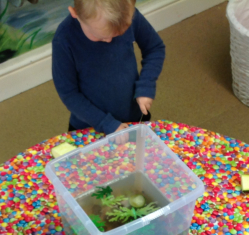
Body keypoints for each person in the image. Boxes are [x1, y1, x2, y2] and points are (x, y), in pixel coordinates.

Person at [52, 0, 166, 135]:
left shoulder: (127, 14)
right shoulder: (64, 39)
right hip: (90, 127)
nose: (109, 41)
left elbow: (154, 48)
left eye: (118, 34)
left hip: (133, 117)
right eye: (100, 36)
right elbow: (69, 93)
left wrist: (146, 84)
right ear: (75, 13)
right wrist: (105, 123)